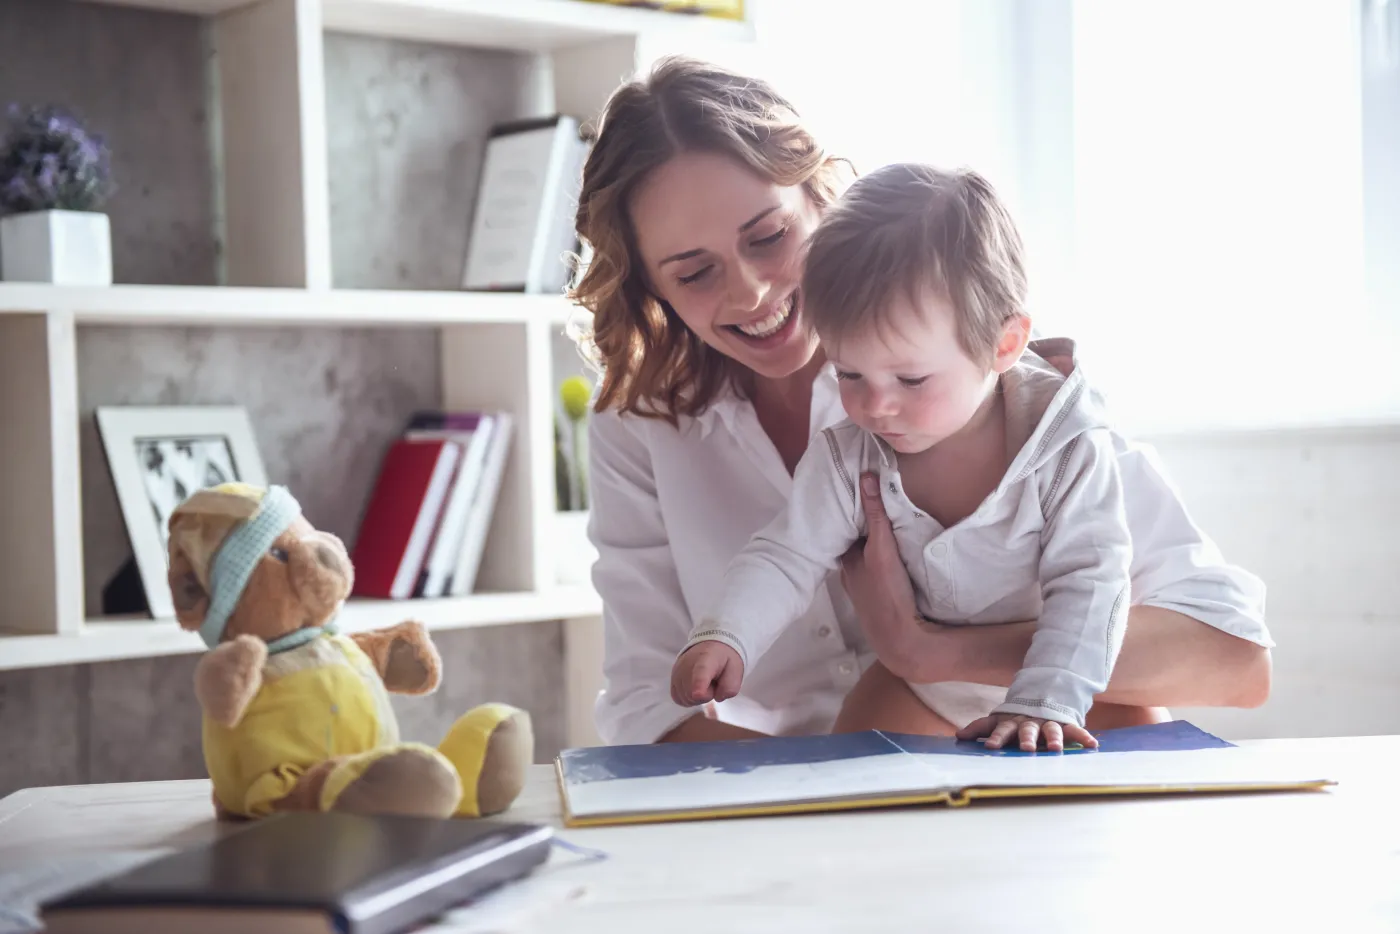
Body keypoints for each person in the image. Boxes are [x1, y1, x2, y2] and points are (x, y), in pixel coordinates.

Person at [568, 54, 1273, 749]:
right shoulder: (644, 423)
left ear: (820, 201)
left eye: (769, 237)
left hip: (1055, 724)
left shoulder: (1007, 393)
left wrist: (928, 652)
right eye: (694, 273)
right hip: (831, 760)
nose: (750, 292)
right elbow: (650, 699)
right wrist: (806, 764)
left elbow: (1233, 658)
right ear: (649, 286)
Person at [672, 162, 1136, 753]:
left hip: (1071, 683)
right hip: (923, 689)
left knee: (1145, 752)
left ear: (1004, 344)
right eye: (848, 374)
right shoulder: (848, 457)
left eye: (911, 379)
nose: (875, 406)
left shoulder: (1069, 445)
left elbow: (1092, 581)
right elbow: (787, 554)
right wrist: (726, 633)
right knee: (854, 774)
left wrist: (1047, 698)